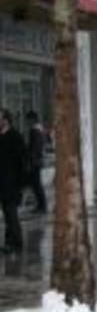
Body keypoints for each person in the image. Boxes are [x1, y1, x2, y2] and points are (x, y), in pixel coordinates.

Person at [0, 109, 26, 254]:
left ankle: (16, 243)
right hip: (2, 184)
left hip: (12, 183)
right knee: (7, 213)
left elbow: (22, 161)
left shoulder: (15, 137)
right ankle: (10, 242)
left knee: (11, 213)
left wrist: (21, 183)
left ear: (5, 120)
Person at [24, 111, 48, 214]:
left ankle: (41, 206)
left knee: (36, 185)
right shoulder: (41, 130)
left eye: (28, 120)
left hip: (34, 162)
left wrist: (30, 162)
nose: (27, 122)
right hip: (38, 161)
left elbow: (33, 148)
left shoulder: (34, 131)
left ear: (32, 119)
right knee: (36, 184)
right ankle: (41, 205)